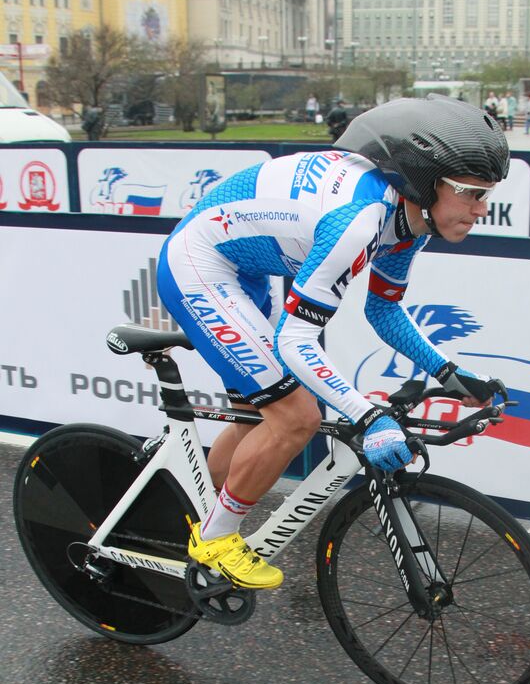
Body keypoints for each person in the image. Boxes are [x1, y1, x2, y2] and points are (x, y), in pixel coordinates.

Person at [156, 96, 510, 589]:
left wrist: (448, 372)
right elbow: (295, 339)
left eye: (486, 194)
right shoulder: (360, 221)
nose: (481, 209)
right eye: (470, 193)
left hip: (247, 270)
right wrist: (369, 417)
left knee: (257, 415)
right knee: (296, 417)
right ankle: (214, 540)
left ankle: (184, 516)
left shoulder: (411, 221)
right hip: (201, 266)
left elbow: (383, 310)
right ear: (425, 181)